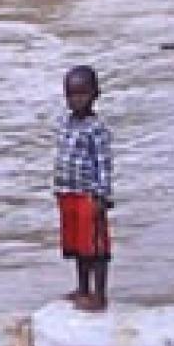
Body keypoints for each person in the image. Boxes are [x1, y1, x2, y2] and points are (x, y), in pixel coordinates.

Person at [54, 66, 114, 312]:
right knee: (78, 246)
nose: (76, 100)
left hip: (90, 195)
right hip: (69, 192)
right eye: (71, 95)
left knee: (96, 248)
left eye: (82, 94)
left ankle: (99, 295)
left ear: (95, 94)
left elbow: (104, 163)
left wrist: (103, 195)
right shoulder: (65, 123)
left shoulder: (96, 128)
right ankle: (82, 288)